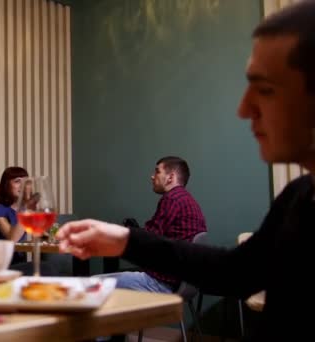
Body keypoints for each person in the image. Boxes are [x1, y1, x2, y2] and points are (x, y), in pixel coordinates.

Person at [56, 2, 315, 341]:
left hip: (162, 284)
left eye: (265, 88)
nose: (243, 108)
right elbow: (235, 272)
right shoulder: (298, 197)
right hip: (171, 281)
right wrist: (125, 240)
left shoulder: (178, 200)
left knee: (90, 295)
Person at [108, 156, 207, 293]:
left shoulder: (172, 199)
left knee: (92, 285)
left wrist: (119, 235)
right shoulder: (188, 200)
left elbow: (149, 240)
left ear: (170, 177)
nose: (152, 176)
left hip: (163, 283)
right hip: (182, 283)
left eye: (157, 172)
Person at [0, 166, 29, 264]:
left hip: (20, 262)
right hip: (2, 264)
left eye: (26, 182)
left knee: (47, 267)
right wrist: (27, 208)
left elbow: (40, 233)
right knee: (48, 268)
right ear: (6, 185)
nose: (23, 186)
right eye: (17, 181)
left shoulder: (22, 210)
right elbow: (12, 238)